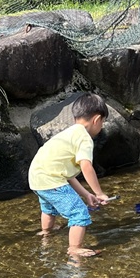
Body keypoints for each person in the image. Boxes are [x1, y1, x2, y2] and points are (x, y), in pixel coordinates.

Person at [29, 92, 113, 257]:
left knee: (49, 206)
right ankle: (74, 248)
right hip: (51, 179)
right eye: (102, 122)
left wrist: (87, 194)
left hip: (37, 177)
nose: (101, 126)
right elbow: (86, 166)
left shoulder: (68, 134)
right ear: (96, 119)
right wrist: (99, 193)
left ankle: (46, 232)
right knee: (79, 213)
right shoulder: (84, 138)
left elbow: (67, 175)